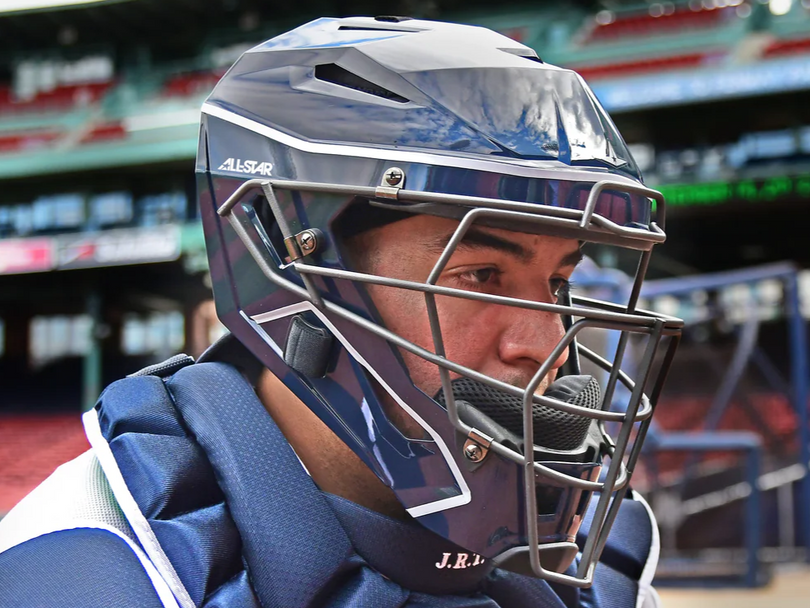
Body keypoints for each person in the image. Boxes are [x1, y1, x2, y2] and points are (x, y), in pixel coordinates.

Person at [0, 16, 682, 608]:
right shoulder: (84, 566)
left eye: (559, 281)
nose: (550, 349)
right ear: (291, 268)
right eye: (480, 276)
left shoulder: (608, 560)